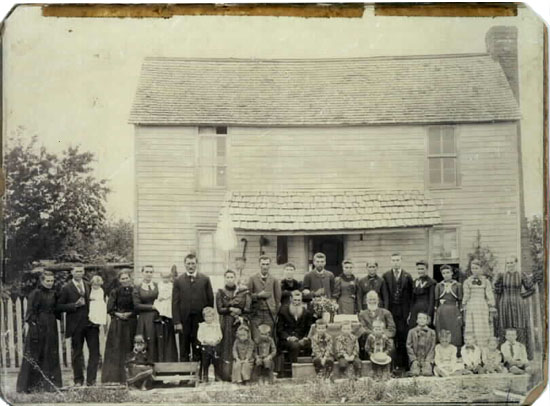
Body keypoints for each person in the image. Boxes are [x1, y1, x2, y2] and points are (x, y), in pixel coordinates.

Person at [16, 271, 62, 393]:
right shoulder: (35, 293)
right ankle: (29, 386)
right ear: (42, 281)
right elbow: (30, 312)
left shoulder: (54, 293)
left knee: (50, 353)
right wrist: (34, 327)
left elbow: (57, 309)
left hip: (51, 326)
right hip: (38, 326)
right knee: (35, 354)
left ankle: (49, 385)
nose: (50, 283)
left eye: (52, 281)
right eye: (47, 281)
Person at [57, 266, 100, 386]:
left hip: (91, 324)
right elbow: (59, 306)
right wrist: (74, 305)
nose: (79, 273)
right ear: (71, 272)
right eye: (76, 271)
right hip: (76, 326)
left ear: (84, 272)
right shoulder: (66, 288)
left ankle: (91, 380)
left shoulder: (89, 285)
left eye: (81, 271)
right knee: (77, 353)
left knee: (95, 352)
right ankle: (78, 380)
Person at [173, 253, 214, 362]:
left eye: (193, 263)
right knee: (184, 348)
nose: (190, 266)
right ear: (184, 264)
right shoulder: (178, 280)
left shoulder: (205, 279)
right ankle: (184, 377)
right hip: (184, 320)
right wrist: (177, 321)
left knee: (198, 347)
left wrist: (208, 320)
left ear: (197, 264)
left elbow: (210, 300)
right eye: (188, 264)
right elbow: (175, 302)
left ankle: (197, 376)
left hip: (200, 320)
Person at [494, 256, 535, 357]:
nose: (510, 265)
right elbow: (496, 289)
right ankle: (504, 356)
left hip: (518, 304)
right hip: (504, 304)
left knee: (519, 325)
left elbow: (531, 289)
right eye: (507, 263)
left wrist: (521, 296)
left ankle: (522, 355)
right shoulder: (502, 276)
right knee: (504, 325)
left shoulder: (521, 275)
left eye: (512, 262)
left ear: (516, 263)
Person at [102, 270, 138, 384]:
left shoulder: (134, 291)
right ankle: (115, 377)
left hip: (131, 322)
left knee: (129, 347)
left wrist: (130, 314)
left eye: (127, 278)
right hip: (118, 324)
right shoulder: (115, 292)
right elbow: (110, 308)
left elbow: (137, 306)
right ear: (119, 280)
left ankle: (130, 377)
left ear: (130, 279)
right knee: (117, 348)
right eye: (122, 279)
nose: (125, 280)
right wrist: (119, 314)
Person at [216, 270, 251, 382]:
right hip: (226, 322)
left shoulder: (241, 291)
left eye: (232, 277)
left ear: (235, 278)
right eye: (228, 277)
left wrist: (239, 312)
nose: (230, 279)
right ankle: (226, 374)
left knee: (240, 346)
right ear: (225, 278)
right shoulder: (220, 292)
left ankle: (241, 375)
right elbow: (220, 309)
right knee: (227, 347)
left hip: (238, 322)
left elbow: (246, 307)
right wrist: (230, 309)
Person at [382, 253, 413, 370]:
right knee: (390, 337)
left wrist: (409, 312)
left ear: (401, 261)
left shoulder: (407, 276)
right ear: (391, 262)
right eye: (393, 260)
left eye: (397, 260)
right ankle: (390, 364)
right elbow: (384, 294)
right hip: (390, 310)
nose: (395, 262)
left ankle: (403, 365)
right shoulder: (386, 276)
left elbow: (411, 296)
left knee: (402, 337)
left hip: (403, 312)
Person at [462, 259, 496, 350]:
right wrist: (464, 305)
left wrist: (491, 305)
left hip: (482, 306)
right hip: (471, 305)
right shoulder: (467, 281)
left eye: (476, 268)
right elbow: (466, 295)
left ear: (481, 268)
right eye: (472, 268)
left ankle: (483, 349)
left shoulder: (486, 281)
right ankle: (472, 350)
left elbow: (489, 295)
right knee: (471, 326)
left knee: (482, 327)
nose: (474, 270)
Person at [248, 255, 281, 342]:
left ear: (270, 265)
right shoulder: (252, 278)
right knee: (256, 337)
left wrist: (275, 312)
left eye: (267, 264)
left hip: (269, 313)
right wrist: (258, 295)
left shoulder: (274, 280)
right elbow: (248, 295)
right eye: (263, 264)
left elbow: (278, 298)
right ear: (259, 265)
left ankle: (269, 355)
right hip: (256, 313)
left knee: (269, 337)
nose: (265, 266)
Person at [277, 290, 314, 365]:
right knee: (295, 346)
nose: (297, 302)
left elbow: (309, 328)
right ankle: (294, 368)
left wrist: (305, 338)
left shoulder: (306, 312)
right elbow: (279, 329)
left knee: (312, 344)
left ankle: (307, 368)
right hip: (287, 340)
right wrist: (289, 337)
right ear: (291, 299)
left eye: (299, 300)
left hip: (301, 338)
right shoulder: (283, 311)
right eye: (295, 300)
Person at [357, 291, 396, 360]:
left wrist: (382, 335)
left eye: (374, 299)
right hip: (370, 338)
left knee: (390, 345)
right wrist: (374, 334)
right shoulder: (362, 314)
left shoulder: (386, 313)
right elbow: (363, 328)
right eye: (370, 299)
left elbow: (392, 329)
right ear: (366, 301)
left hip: (384, 338)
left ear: (378, 301)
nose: (372, 301)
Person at [434, 265, 463, 349]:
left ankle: (456, 351)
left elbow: (460, 300)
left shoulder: (458, 285)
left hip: (453, 310)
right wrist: (435, 314)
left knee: (454, 331)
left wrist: (460, 314)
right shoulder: (439, 285)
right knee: (442, 331)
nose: (446, 275)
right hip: (442, 311)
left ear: (452, 273)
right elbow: (436, 301)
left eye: (447, 272)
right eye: (443, 273)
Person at [153, 269, 178, 362]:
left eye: (168, 277)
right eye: (164, 277)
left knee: (168, 309)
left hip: (168, 302)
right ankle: (161, 316)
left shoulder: (172, 285)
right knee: (160, 307)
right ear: (161, 277)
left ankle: (166, 317)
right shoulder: (159, 285)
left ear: (170, 277)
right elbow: (158, 295)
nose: (166, 279)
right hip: (161, 302)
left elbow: (171, 295)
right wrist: (160, 297)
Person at [197, 306, 223, 383]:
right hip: (206, 346)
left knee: (216, 362)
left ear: (213, 317)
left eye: (210, 316)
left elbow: (220, 335)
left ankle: (217, 376)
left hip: (214, 345)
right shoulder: (202, 326)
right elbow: (200, 336)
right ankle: (205, 376)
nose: (209, 318)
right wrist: (206, 341)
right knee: (205, 362)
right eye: (207, 317)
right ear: (204, 317)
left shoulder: (216, 325)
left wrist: (216, 341)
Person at [406, 312, 435, 377]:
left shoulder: (432, 332)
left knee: (427, 373)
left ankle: (426, 366)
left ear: (427, 320)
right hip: (416, 358)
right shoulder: (411, 332)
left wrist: (428, 360)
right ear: (417, 320)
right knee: (415, 373)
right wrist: (413, 359)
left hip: (426, 359)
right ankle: (415, 366)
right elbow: (408, 346)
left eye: (424, 318)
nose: (422, 320)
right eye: (420, 318)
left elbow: (432, 347)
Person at [409, 260, 435, 328]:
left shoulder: (431, 282)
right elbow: (412, 299)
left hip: (425, 309)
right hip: (415, 310)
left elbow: (431, 300)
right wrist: (411, 312)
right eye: (419, 269)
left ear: (426, 269)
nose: (420, 271)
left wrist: (429, 314)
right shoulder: (415, 282)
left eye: (422, 269)